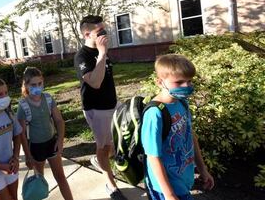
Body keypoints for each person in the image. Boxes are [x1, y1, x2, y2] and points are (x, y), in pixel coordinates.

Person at [142, 54, 214, 200]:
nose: (186, 86)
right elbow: (153, 157)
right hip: (165, 188)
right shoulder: (155, 113)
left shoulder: (181, 102)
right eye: (179, 82)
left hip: (183, 179)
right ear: (160, 82)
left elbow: (190, 136)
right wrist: (169, 194)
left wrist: (202, 169)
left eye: (189, 81)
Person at [74, 15, 125, 200]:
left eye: (105, 30)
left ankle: (98, 160)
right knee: (103, 147)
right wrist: (102, 54)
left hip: (112, 104)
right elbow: (95, 83)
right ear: (87, 34)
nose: (105, 34)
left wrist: (103, 53)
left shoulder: (101, 49)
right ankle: (110, 185)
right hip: (97, 109)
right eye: (100, 32)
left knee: (112, 145)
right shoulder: (83, 56)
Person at [17, 67, 73, 200]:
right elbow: (22, 134)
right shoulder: (23, 106)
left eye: (39, 84)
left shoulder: (48, 99)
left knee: (60, 177)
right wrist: (28, 156)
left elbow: (59, 121)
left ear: (43, 82)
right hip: (36, 147)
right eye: (33, 85)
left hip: (52, 143)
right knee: (39, 181)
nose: (37, 87)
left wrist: (60, 140)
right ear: (26, 85)